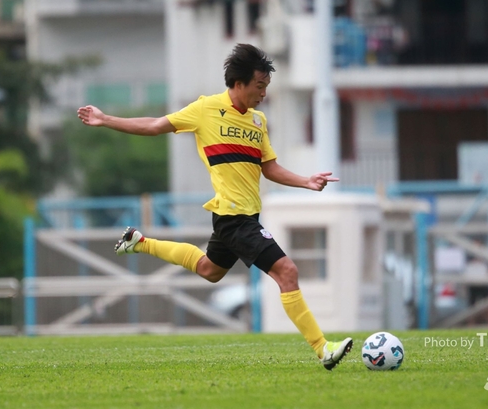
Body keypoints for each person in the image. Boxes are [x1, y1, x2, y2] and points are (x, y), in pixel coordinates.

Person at [76, 44, 353, 370]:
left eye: (266, 86)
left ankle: (140, 242)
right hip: (234, 217)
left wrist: (306, 181)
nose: (263, 93)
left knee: (210, 270)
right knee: (287, 271)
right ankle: (323, 349)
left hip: (240, 216)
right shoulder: (205, 109)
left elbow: (269, 168)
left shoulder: (258, 121)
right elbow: (154, 126)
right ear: (238, 83)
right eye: (259, 86)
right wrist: (105, 119)